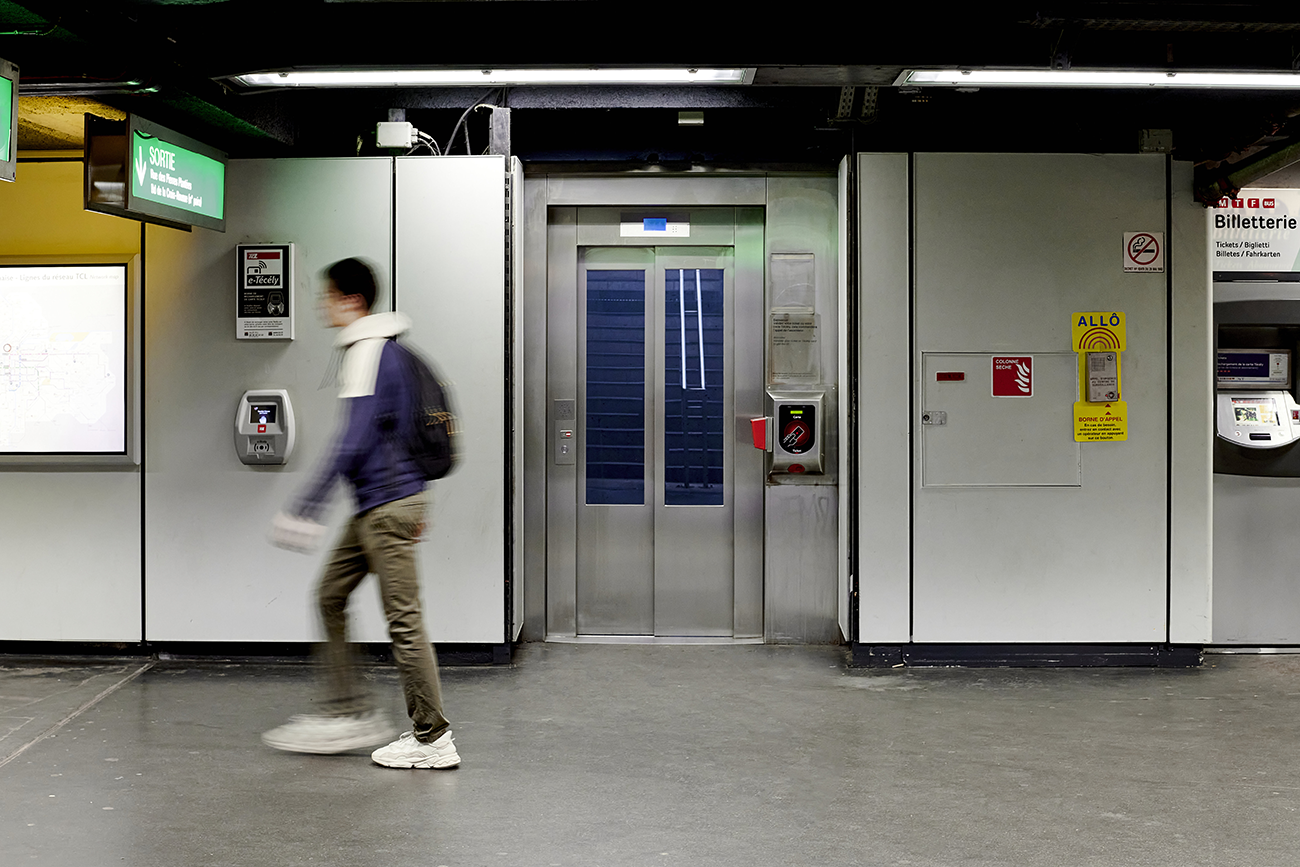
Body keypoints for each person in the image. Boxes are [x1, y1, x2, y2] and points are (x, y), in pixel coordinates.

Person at [263, 257, 459, 770]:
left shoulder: (369, 350)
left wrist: (306, 506)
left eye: (327, 297)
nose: (321, 307)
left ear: (351, 301)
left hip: (387, 506)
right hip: (383, 503)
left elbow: (355, 438)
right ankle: (347, 712)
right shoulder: (381, 349)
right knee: (329, 594)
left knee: (404, 621)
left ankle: (431, 736)